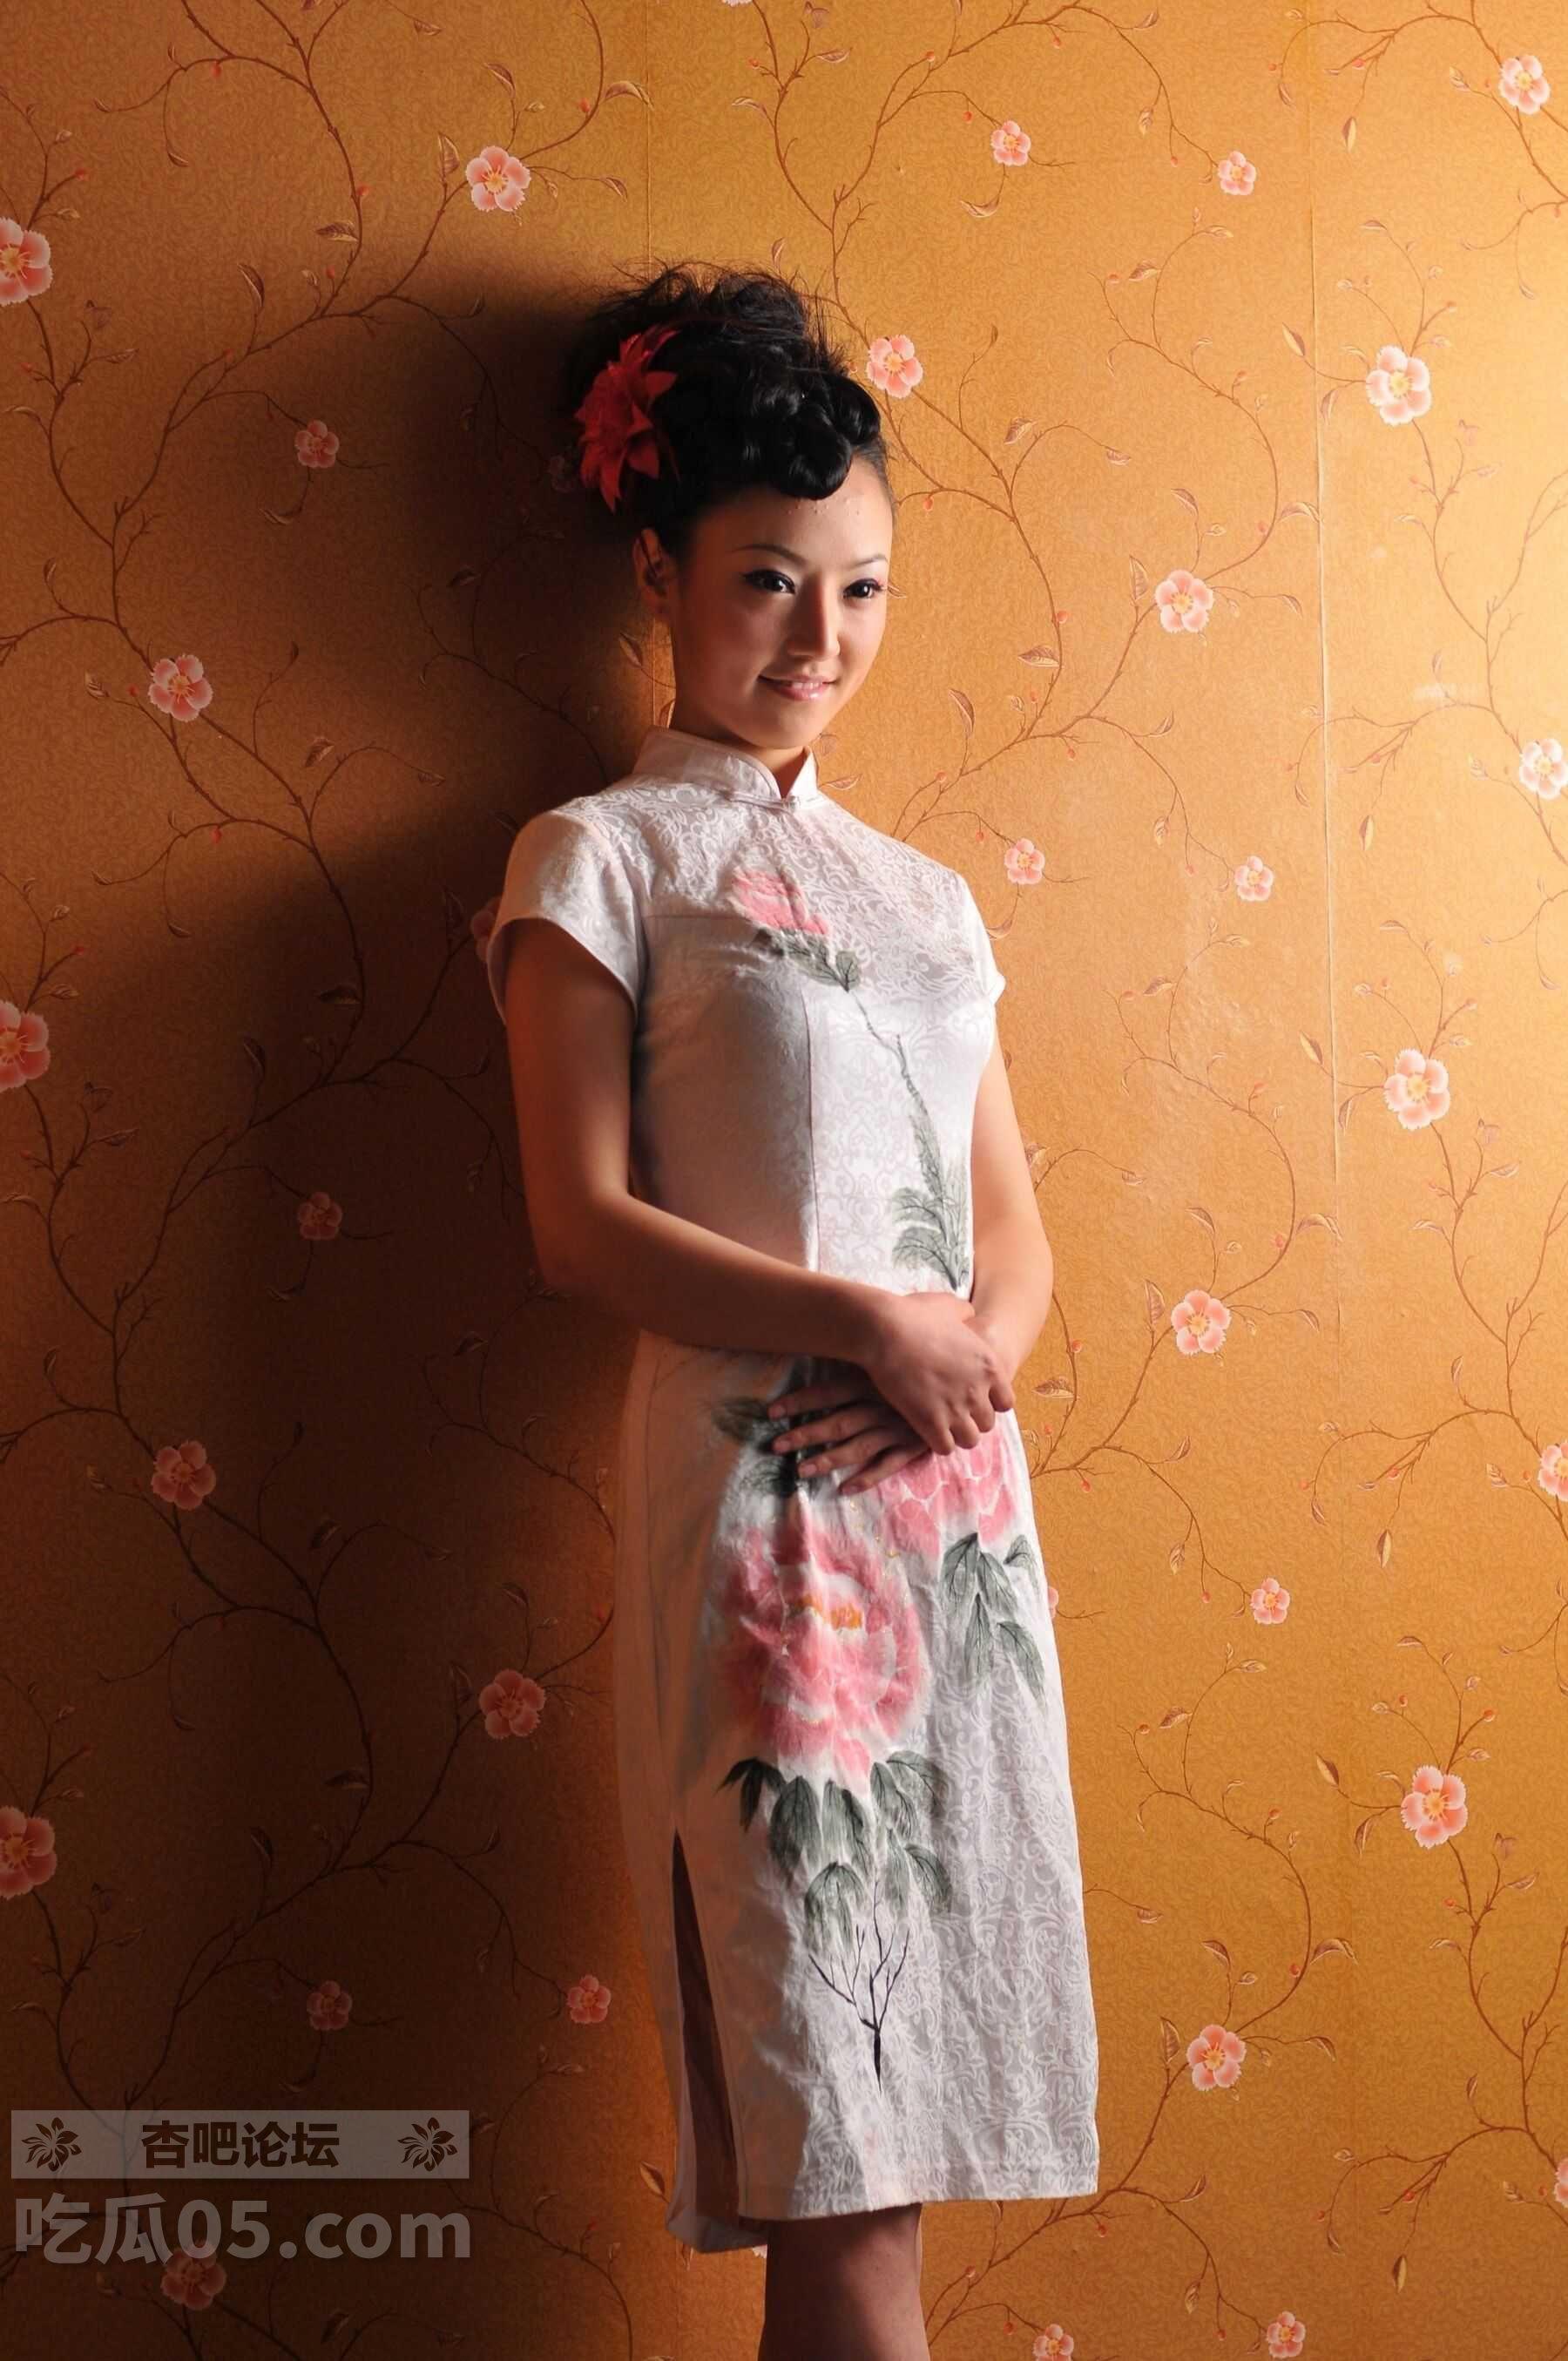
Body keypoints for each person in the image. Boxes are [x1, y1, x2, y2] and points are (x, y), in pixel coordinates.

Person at [483, 260, 1099, 2361]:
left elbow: (1016, 1238)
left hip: (953, 1511)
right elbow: (580, 1227)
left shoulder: (928, 899)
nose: (820, 638)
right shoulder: (597, 858)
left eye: (862, 589)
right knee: (833, 2142)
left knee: (894, 2166)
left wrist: (959, 1353)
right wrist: (864, 1322)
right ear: (660, 570)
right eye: (768, 581)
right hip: (764, 1515)